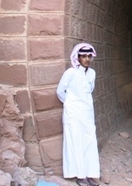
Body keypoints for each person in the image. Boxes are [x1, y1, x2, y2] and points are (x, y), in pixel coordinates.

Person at [57, 43, 101, 186]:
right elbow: (60, 91)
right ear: (78, 57)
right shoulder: (70, 73)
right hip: (73, 113)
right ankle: (79, 176)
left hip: (87, 112)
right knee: (75, 142)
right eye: (83, 56)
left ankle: (90, 174)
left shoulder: (92, 73)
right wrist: (69, 104)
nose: (87, 59)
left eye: (89, 56)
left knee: (89, 142)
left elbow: (90, 90)